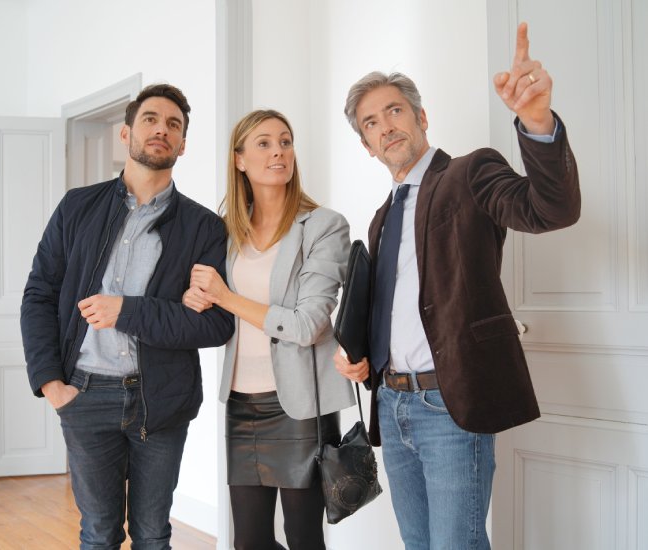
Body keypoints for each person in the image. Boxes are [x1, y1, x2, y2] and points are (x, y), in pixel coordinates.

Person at [333, 22, 581, 549]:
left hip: (449, 404)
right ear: (367, 144)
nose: (386, 126)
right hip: (391, 405)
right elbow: (396, 307)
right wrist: (362, 356)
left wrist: (536, 122)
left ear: (421, 117)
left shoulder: (470, 173)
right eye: (371, 122)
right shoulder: (381, 218)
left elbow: (549, 208)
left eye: (394, 111)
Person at [20, 83, 234, 550]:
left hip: (161, 400)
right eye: (151, 120)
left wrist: (128, 311)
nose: (161, 129)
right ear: (126, 133)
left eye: (173, 125)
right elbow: (38, 294)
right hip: (84, 394)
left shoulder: (203, 228)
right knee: (98, 533)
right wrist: (51, 384)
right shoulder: (77, 207)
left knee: (153, 534)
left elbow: (216, 325)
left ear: (183, 144)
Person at [182, 110, 355, 550]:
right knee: (249, 542)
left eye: (285, 141)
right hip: (241, 403)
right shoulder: (225, 233)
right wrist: (197, 298)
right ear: (239, 159)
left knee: (302, 538)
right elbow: (216, 308)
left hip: (299, 405)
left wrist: (225, 296)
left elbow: (308, 325)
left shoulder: (323, 226)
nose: (278, 151)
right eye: (263, 143)